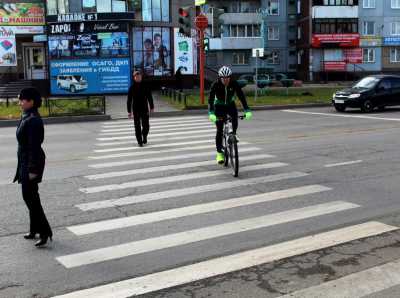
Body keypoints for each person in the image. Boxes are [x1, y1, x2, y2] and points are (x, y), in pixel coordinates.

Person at [14, 87, 53, 247]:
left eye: (22, 100)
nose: (20, 102)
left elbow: (34, 148)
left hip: (32, 163)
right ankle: (34, 229)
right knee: (30, 197)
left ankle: (45, 232)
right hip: (24, 160)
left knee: (31, 198)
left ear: (30, 101)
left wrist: (31, 170)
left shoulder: (33, 120)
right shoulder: (27, 116)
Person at [208, 66, 253, 164]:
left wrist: (247, 110)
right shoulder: (215, 85)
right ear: (220, 78)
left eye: (227, 78)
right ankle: (219, 153)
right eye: (223, 78)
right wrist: (211, 113)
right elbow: (210, 99)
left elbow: (241, 96)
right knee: (219, 130)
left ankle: (233, 135)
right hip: (218, 106)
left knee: (235, 118)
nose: (225, 80)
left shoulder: (234, 83)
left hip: (230, 105)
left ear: (230, 77)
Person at [127, 70, 154, 146]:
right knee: (137, 126)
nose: (138, 77)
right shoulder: (132, 88)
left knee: (146, 126)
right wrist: (129, 111)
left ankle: (144, 135)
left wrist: (151, 107)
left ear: (141, 77)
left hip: (144, 108)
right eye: (136, 76)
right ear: (134, 78)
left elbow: (150, 97)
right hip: (136, 109)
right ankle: (139, 141)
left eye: (139, 76)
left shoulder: (145, 86)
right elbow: (129, 100)